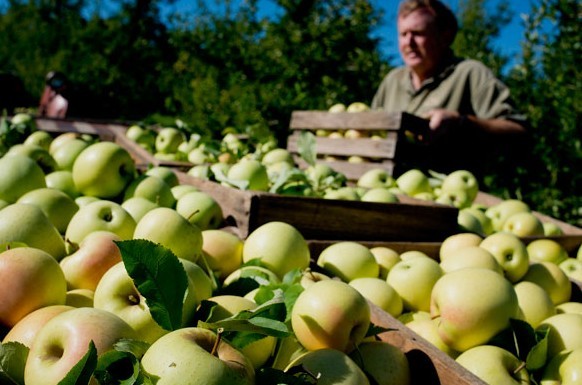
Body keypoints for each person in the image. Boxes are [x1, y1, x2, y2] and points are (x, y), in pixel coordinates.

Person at [371, 0, 529, 178]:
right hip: (387, 193)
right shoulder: (392, 81)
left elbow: (518, 132)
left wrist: (461, 123)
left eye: (418, 33)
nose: (409, 42)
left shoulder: (469, 73)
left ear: (444, 36)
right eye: (403, 34)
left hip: (449, 196)